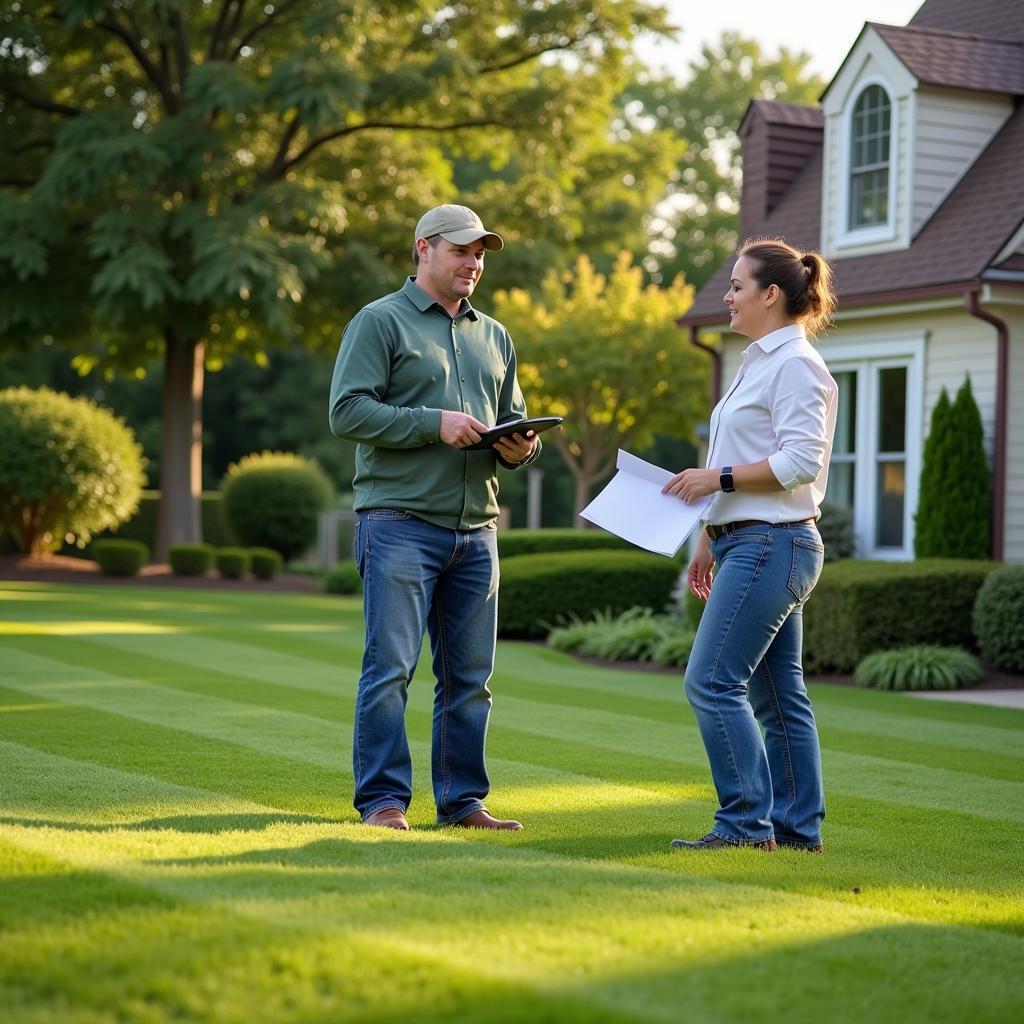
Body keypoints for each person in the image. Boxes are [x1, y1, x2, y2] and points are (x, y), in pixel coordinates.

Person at [328, 204, 540, 832]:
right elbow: (346, 413)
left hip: (477, 530)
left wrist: (523, 447)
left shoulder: (495, 335)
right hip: (398, 523)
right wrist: (433, 424)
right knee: (390, 671)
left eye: (481, 254)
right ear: (423, 249)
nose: (474, 262)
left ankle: (463, 803)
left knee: (471, 679)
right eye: (462, 250)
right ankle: (384, 804)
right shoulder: (378, 322)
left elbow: (515, 417)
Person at [662, 237, 838, 853]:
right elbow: (736, 456)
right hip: (750, 541)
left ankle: (743, 825)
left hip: (776, 542)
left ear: (771, 294)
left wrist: (718, 481)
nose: (727, 296)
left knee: (710, 681)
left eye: (737, 286)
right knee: (776, 694)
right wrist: (711, 534)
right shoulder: (758, 362)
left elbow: (800, 461)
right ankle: (794, 831)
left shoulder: (796, 364)